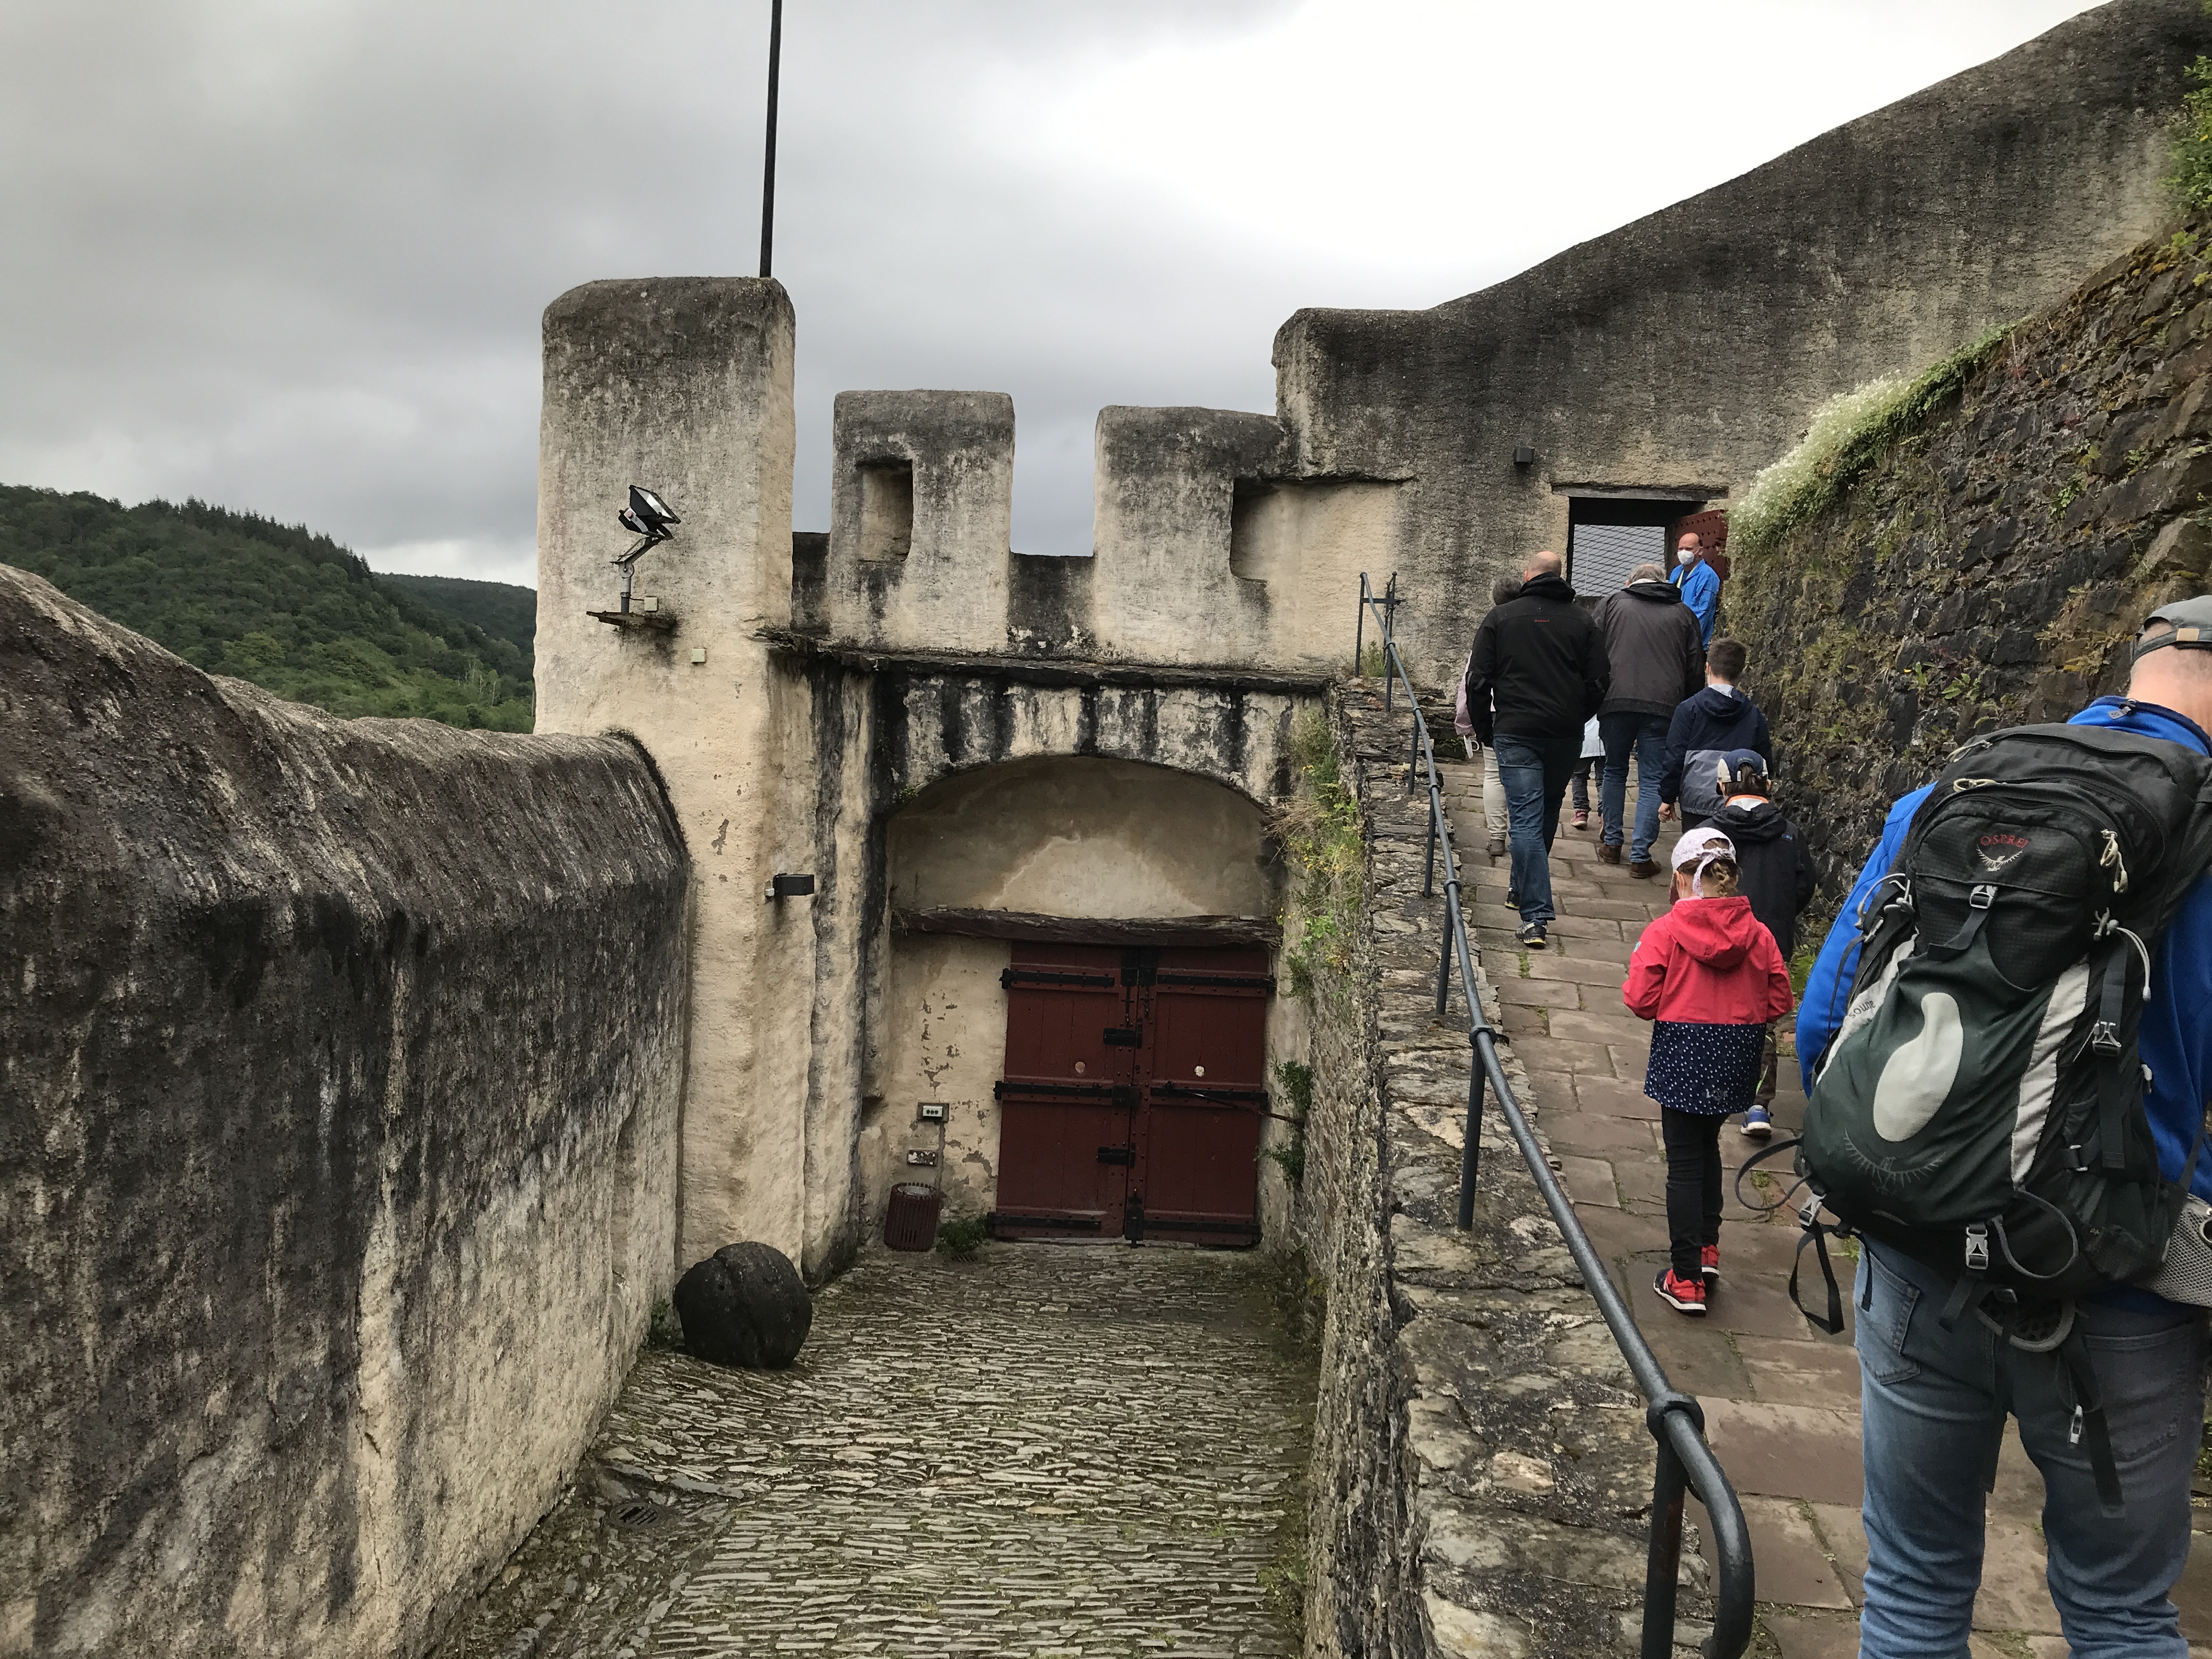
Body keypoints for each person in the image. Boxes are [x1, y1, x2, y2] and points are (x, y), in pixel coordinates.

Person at [1797, 597, 2212, 1657]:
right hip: (2124, 1283)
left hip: (1919, 1246)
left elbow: (1826, 1021)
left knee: (1909, 1582)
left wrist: (1897, 1174)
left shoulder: (1950, 795)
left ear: (2135, 669)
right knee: (2119, 1613)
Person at [1623, 827, 1795, 1314]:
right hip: (1736, 1052)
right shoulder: (1759, 933)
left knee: (1683, 1160)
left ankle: (1684, 1278)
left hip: (1684, 1048)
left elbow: (1641, 1000)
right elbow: (1779, 1000)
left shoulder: (1665, 932)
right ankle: (1706, 1250)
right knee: (1708, 1146)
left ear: (1681, 878)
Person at [1464, 550, 1611, 950]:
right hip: (1564, 733)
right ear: (1560, 577)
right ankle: (1520, 888)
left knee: (1526, 819)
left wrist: (1485, 729)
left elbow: (1478, 680)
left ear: (1528, 576)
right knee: (1545, 811)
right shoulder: (1583, 621)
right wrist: (1578, 715)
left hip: (1516, 730)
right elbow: (1600, 680)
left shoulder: (1500, 618)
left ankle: (1535, 916)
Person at [1704, 753, 1814, 1140]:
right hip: (1771, 938)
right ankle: (1757, 1106)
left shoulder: (1708, 833)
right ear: (1768, 784)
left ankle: (1711, 1088)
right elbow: (1804, 886)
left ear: (1722, 787)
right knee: (1763, 1021)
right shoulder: (1790, 834)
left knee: (1712, 1008)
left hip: (1714, 937)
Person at [1593, 561, 1706, 874]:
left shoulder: (1612, 604)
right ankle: (1641, 856)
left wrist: (1596, 692)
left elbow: (1592, 652)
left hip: (1615, 701)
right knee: (1652, 778)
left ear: (1631, 581)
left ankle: (1612, 843)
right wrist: (1687, 708)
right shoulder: (1684, 614)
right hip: (1664, 707)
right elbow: (1695, 667)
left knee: (1614, 770)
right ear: (1662, 582)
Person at [1659, 637, 1772, 834]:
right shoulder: (1753, 715)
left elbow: (1675, 757)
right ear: (1740, 672)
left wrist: (1667, 797)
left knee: (1697, 850)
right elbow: (1764, 762)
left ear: (1707, 667)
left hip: (1696, 800)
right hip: (1737, 801)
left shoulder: (1688, 710)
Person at [1455, 576, 1525, 858]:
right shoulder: (1531, 629)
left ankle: (1497, 838)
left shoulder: (1490, 629)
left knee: (1494, 775)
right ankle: (1523, 836)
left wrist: (1466, 721)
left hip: (1494, 713)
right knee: (1525, 775)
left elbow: (1471, 681)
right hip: (1525, 711)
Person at [1671, 531, 1722, 647]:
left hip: (1694, 643)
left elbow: (1701, 613)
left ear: (1700, 551)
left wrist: (1686, 641)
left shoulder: (1707, 576)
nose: (1683, 553)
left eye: (1689, 549)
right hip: (1675, 636)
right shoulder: (1677, 572)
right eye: (1681, 549)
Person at [1568, 716, 1603, 830]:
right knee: (1604, 779)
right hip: (1605, 739)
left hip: (1584, 738)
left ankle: (1581, 813)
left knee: (1579, 777)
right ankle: (1606, 813)